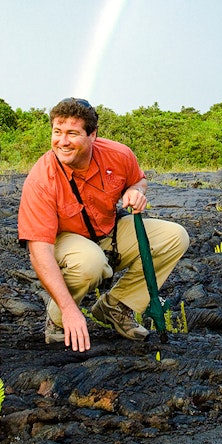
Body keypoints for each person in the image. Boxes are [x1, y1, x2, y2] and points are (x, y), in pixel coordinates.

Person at [18, 98, 190, 351]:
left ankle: (117, 306)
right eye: (57, 132)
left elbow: (139, 181)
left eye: (72, 133)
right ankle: (57, 320)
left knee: (175, 236)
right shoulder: (41, 179)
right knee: (91, 262)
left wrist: (135, 191)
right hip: (66, 239)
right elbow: (38, 251)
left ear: (93, 135)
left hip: (109, 230)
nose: (62, 141)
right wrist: (69, 311)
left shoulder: (118, 154)